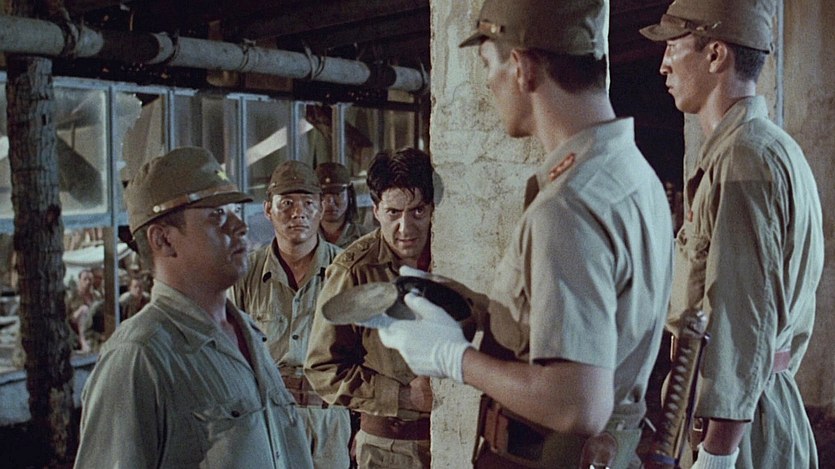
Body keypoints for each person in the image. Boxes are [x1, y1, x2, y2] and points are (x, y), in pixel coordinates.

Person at [370, 1, 675, 467]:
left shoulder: (567, 207)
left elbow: (576, 405)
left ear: (522, 68)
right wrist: (479, 309)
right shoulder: (630, 174)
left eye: (487, 64)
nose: (489, 84)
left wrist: (452, 357)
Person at [640, 1, 824, 468]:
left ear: (715, 54)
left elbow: (743, 320)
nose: (663, 64)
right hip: (747, 414)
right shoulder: (764, 149)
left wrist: (717, 454)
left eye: (674, 46)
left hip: (738, 433)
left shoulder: (744, 159)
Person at [74, 147, 313, 468]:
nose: (239, 226)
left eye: (234, 211)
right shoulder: (139, 357)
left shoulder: (248, 332)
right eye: (216, 215)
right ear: (163, 240)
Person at [305, 148, 436, 468]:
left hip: (455, 442)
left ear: (432, 208)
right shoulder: (353, 271)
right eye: (393, 212)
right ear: (376, 210)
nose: (406, 227)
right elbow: (322, 368)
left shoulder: (456, 258)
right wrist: (401, 396)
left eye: (417, 211)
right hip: (388, 449)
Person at [230, 160, 351, 469]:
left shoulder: (345, 271)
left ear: (321, 209)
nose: (298, 213)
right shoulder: (245, 273)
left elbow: (367, 350)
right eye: (286, 204)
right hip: (267, 420)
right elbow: (229, 354)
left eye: (308, 203)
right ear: (267, 210)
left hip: (328, 421)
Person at [316, 162, 372, 248]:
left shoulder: (367, 239)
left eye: (337, 194)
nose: (330, 202)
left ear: (349, 195)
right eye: (323, 195)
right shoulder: (304, 238)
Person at [66, 268, 103, 352]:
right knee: (84, 309)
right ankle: (83, 342)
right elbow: (67, 315)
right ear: (79, 280)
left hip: (92, 323)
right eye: (85, 279)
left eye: (90, 279)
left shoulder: (96, 295)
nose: (88, 282)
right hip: (75, 322)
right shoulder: (72, 296)